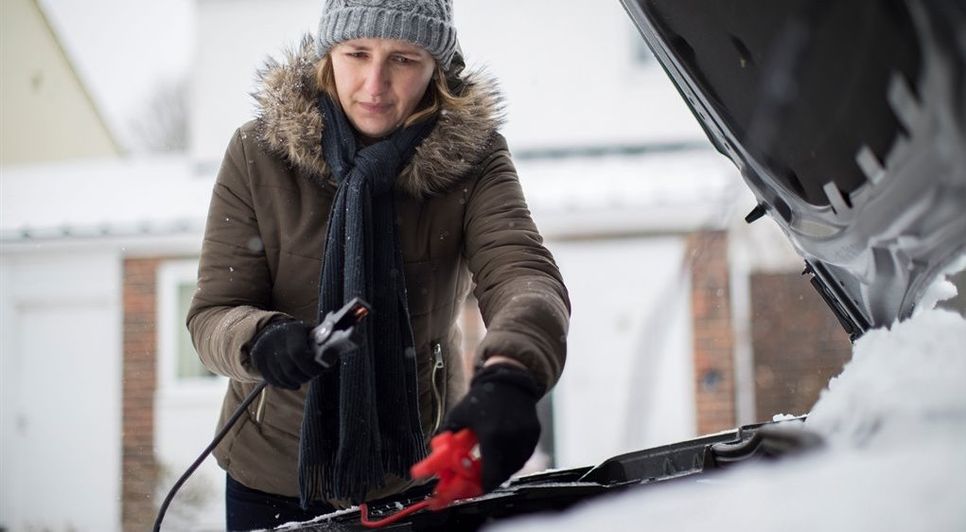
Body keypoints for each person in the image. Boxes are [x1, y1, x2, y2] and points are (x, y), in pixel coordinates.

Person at [187, 0, 570, 529]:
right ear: (328, 55)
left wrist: (511, 372)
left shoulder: (475, 160)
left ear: (437, 65)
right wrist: (261, 338)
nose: (374, 83)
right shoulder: (258, 153)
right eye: (357, 53)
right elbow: (213, 312)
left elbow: (523, 273)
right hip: (270, 472)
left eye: (404, 59)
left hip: (419, 469)